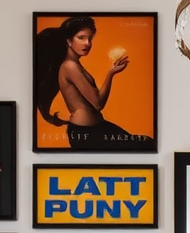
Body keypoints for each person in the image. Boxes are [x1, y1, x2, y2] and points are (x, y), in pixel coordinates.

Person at [34, 15, 152, 152]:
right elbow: (98, 103)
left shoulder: (74, 65)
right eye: (81, 37)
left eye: (90, 38)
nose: (87, 43)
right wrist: (111, 74)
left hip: (96, 128)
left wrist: (112, 72)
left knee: (146, 144)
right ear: (69, 41)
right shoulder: (70, 66)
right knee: (145, 145)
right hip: (87, 134)